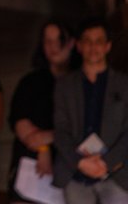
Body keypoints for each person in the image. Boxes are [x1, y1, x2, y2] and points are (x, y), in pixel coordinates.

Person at [53, 17, 128, 203]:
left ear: (108, 46)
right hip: (75, 171)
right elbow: (60, 130)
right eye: (87, 41)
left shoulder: (124, 84)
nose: (93, 47)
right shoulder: (65, 85)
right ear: (78, 45)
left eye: (99, 41)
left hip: (116, 173)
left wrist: (106, 163)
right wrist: (80, 162)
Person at [7, 20, 77, 202]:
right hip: (31, 172)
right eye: (47, 41)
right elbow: (20, 122)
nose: (53, 46)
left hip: (70, 171)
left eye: (58, 40)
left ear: (71, 43)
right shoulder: (31, 81)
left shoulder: (80, 83)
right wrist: (43, 146)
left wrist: (51, 136)